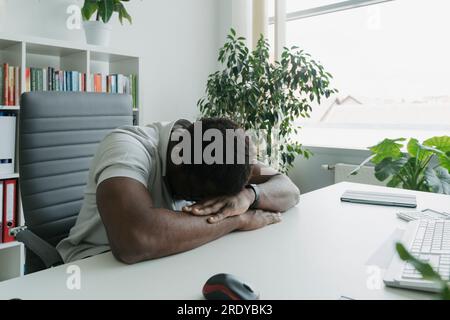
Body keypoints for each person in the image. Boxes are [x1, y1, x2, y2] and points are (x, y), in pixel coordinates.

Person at [57, 118, 300, 264]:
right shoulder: (128, 147)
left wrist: (248, 196)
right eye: (199, 196)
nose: (204, 204)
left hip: (167, 257)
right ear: (180, 164)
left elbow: (289, 189)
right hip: (96, 264)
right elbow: (134, 241)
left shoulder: (217, 150)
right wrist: (237, 219)